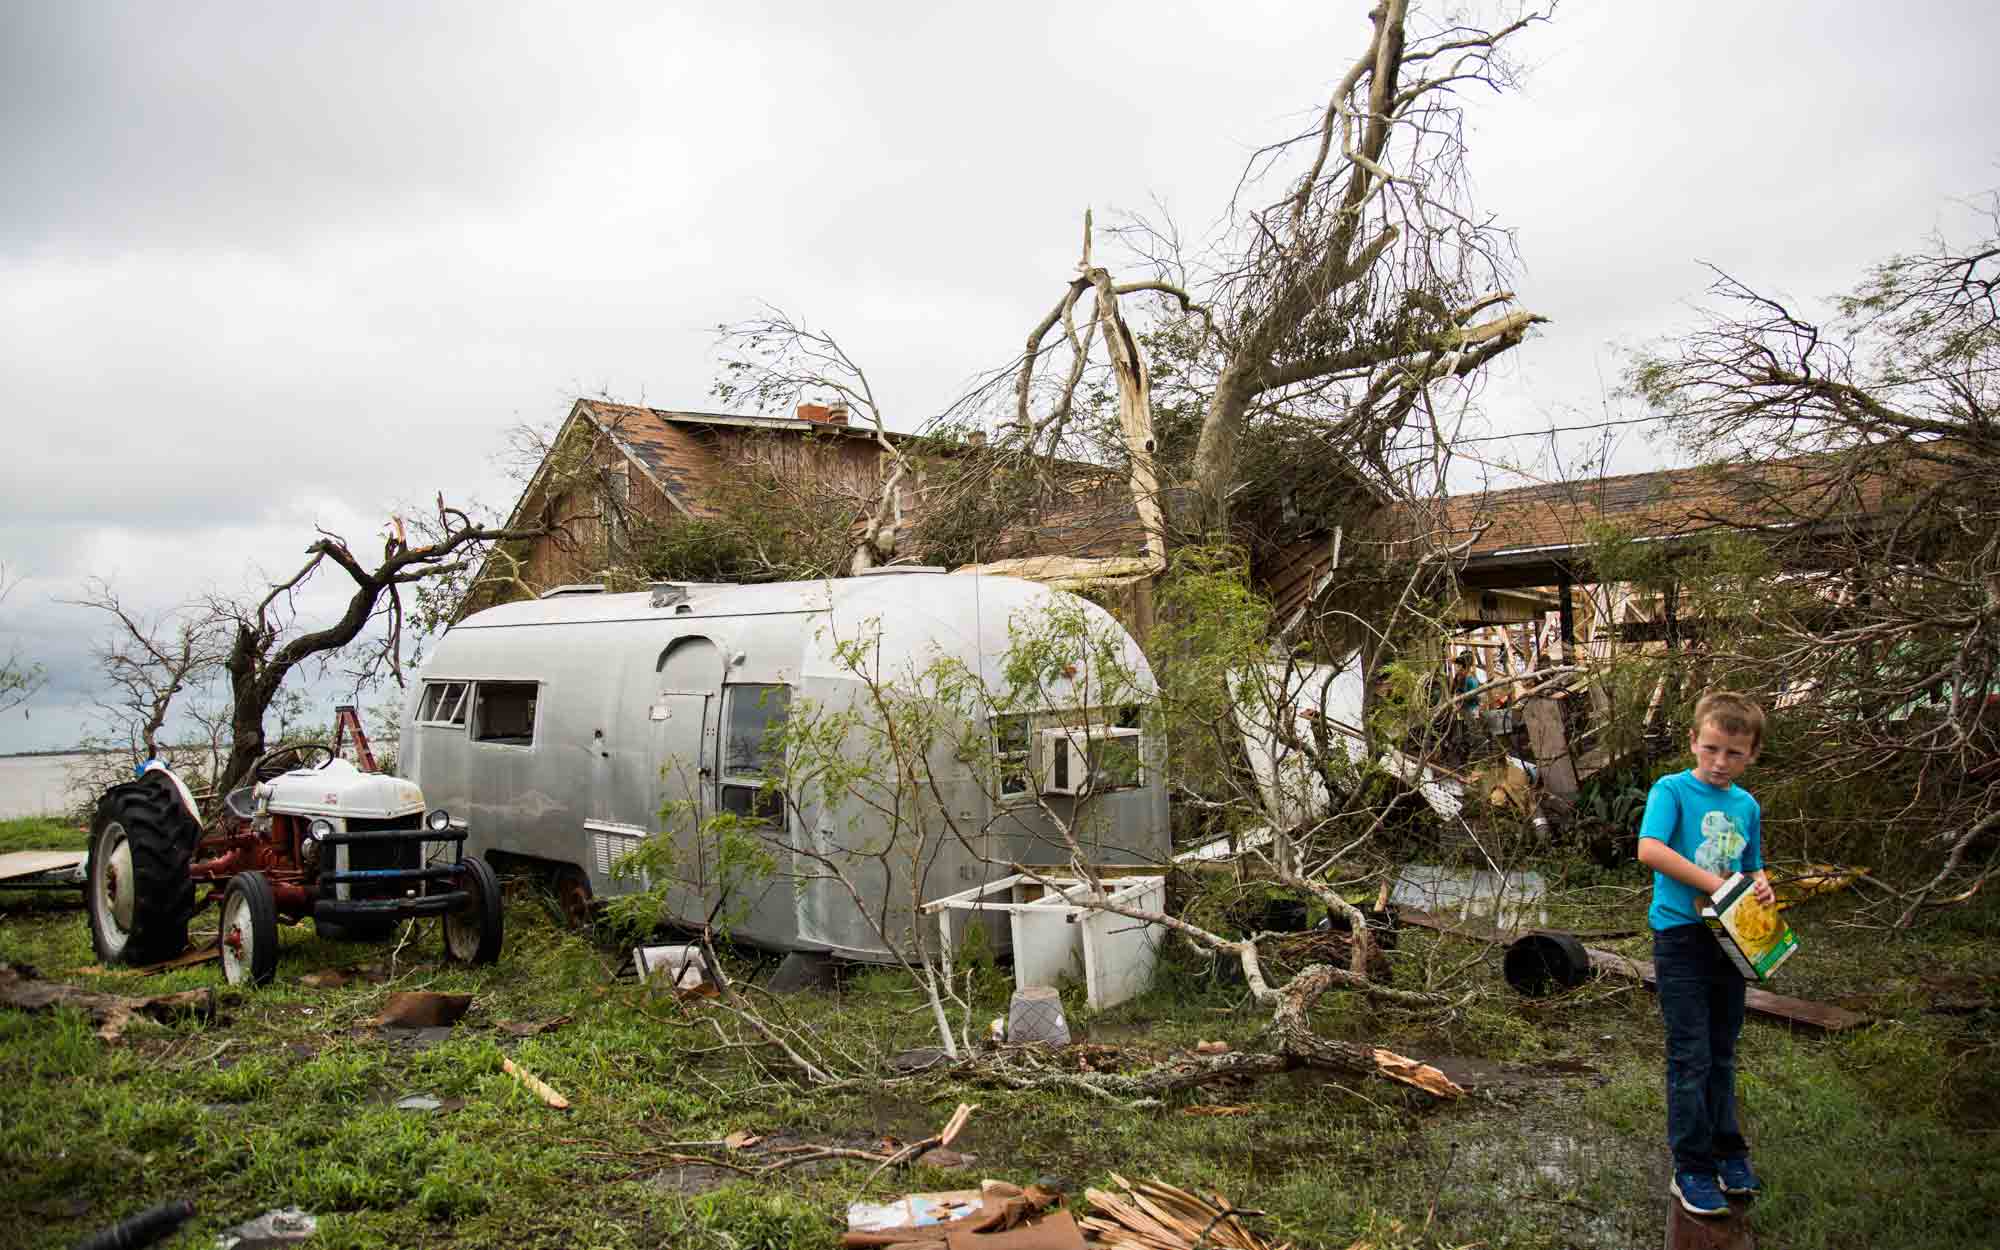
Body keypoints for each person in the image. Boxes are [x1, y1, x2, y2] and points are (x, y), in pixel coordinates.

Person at [1636, 691, 1776, 1217]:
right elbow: (1650, 849)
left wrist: (1760, 884)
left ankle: (1728, 1152)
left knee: (1722, 1048)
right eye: (1712, 748)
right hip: (1681, 939)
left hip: (1729, 939)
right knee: (1690, 1052)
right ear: (1693, 741)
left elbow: (1752, 863)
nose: (1720, 762)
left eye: (1734, 753)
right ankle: (1691, 1167)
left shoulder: (1747, 806)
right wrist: (1715, 885)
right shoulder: (1671, 790)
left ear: (1752, 754)